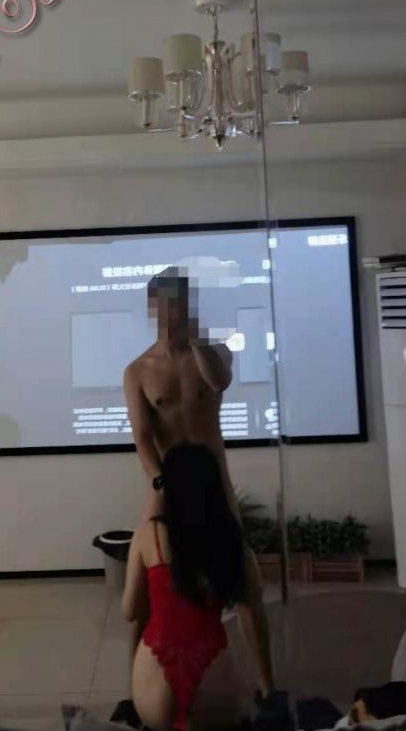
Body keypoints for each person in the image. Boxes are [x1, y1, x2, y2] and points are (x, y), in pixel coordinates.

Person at [116, 268, 275, 722]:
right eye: (164, 307)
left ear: (189, 307)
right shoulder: (138, 370)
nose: (170, 316)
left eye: (179, 306)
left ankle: (268, 688)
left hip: (214, 482)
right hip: (167, 483)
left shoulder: (214, 353)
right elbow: (142, 436)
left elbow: (219, 381)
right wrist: (160, 482)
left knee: (245, 583)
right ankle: (135, 690)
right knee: (150, 587)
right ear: (152, 309)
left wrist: (196, 337)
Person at [122, 443, 250, 731]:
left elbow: (130, 611)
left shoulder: (149, 534)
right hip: (214, 673)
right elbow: (249, 595)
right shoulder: (229, 539)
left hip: (156, 678)